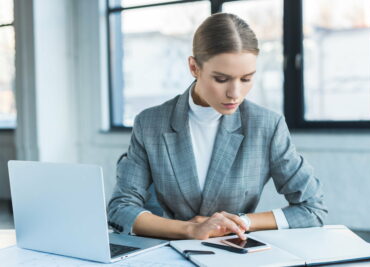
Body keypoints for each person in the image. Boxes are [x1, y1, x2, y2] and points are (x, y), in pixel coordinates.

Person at [107, 13, 327, 241]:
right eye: (221, 79)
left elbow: (312, 208)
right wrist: (190, 230)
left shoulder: (266, 126)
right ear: (194, 67)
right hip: (170, 252)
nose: (235, 93)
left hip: (236, 253)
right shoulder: (150, 123)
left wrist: (239, 222)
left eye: (246, 79)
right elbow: (121, 209)